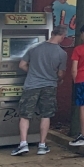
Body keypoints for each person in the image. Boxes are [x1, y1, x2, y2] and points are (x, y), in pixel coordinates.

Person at [11, 29, 67, 157]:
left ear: (52, 33)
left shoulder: (34, 47)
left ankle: (23, 144)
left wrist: (32, 73)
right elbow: (60, 73)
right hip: (50, 86)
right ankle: (42, 145)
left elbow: (22, 65)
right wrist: (58, 79)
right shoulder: (62, 53)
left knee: (25, 115)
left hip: (31, 85)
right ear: (63, 36)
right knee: (46, 115)